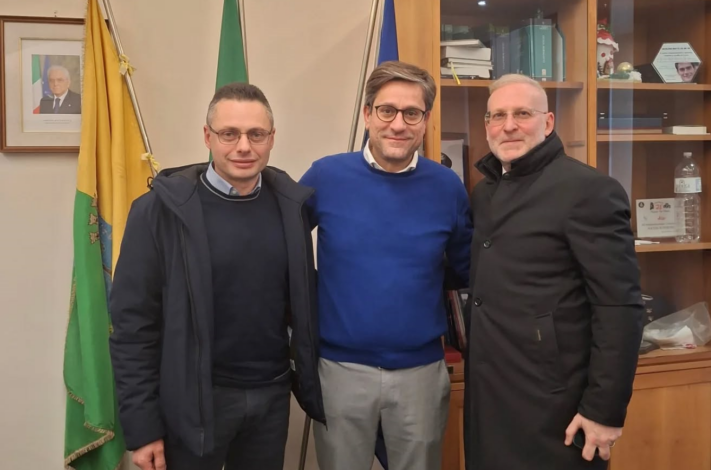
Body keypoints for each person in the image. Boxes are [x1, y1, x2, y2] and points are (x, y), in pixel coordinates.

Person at [109, 82, 325, 470]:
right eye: (229, 134)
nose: (244, 146)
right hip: (193, 402)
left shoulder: (290, 207)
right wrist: (142, 428)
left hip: (271, 398)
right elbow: (133, 327)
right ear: (208, 137)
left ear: (271, 138)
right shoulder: (159, 211)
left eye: (256, 134)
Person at [464, 73, 644, 470]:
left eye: (522, 114)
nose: (508, 125)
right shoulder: (484, 192)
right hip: (491, 391)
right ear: (487, 125)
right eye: (498, 116)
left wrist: (604, 410)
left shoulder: (588, 190)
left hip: (555, 404)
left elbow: (620, 307)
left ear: (547, 122)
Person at [299, 60, 473, 470]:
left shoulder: (447, 186)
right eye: (387, 110)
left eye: (412, 113)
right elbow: (282, 248)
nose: (398, 124)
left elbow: (466, 267)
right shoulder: (326, 176)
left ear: (425, 120)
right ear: (367, 114)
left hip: (421, 373)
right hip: (340, 370)